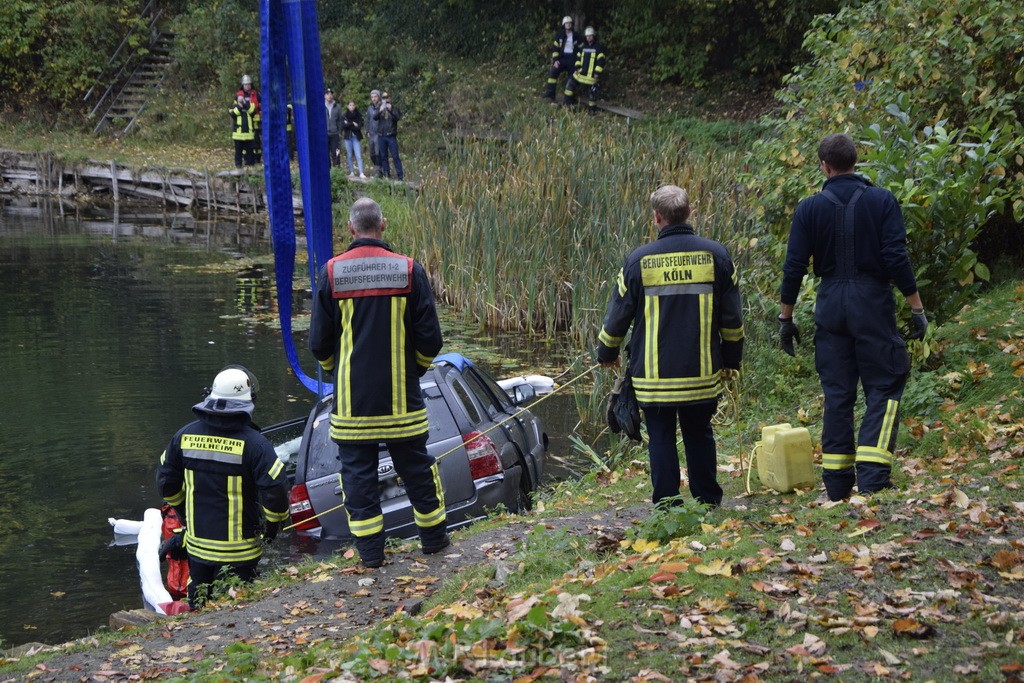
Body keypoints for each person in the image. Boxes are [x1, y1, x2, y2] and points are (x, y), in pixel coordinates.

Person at [779, 133, 928, 501]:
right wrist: (916, 307)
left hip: (830, 304)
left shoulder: (808, 209)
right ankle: (874, 476)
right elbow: (896, 257)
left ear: (824, 166)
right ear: (855, 162)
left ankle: (837, 483)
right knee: (886, 382)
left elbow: (794, 266)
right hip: (871, 303)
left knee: (837, 392)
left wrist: (786, 318)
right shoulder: (882, 201)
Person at [308, 198, 447, 567]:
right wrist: (412, 371)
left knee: (358, 480)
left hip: (353, 408)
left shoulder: (333, 273)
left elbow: (319, 343)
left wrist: (337, 372)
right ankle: (434, 543)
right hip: (402, 403)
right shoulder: (409, 270)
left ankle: (371, 557)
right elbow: (431, 339)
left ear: (351, 229)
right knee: (417, 470)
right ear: (383, 225)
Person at [596, 185, 744, 507]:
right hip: (701, 375)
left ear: (656, 217)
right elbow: (732, 320)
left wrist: (606, 352)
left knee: (660, 438)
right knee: (699, 434)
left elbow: (617, 316)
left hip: (654, 380)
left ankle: (666, 505)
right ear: (690, 213)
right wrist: (732, 360)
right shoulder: (716, 255)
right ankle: (707, 501)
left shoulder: (639, 261)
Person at [156, 366, 289, 609]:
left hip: (198, 547)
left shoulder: (184, 436)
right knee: (236, 607)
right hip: (240, 553)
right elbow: (275, 491)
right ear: (247, 402)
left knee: (198, 601)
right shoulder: (256, 445)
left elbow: (166, 482)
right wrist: (272, 526)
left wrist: (184, 512)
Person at [564, 26, 606, 115]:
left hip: (591, 76)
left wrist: (597, 72)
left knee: (592, 93)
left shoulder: (598, 47)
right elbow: (578, 58)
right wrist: (577, 68)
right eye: (587, 36)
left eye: (590, 36)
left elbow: (601, 61)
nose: (588, 38)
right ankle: (567, 104)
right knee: (570, 84)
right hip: (581, 73)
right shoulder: (583, 47)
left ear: (593, 36)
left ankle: (592, 110)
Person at [544, 16, 581, 102]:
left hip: (573, 60)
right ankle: (550, 93)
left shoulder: (577, 36)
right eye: (567, 23)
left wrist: (578, 63)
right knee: (553, 71)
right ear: (563, 25)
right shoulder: (560, 35)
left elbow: (581, 49)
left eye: (570, 23)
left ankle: (570, 97)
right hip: (562, 59)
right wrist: (555, 60)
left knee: (572, 77)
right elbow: (555, 48)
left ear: (572, 25)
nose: (568, 24)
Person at [373, 91, 403, 181]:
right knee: (383, 157)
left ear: (390, 99)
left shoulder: (394, 108)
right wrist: (380, 110)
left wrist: (391, 110)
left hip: (391, 136)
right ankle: (387, 175)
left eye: (387, 98)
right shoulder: (380, 108)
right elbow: (374, 117)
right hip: (381, 136)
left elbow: (397, 118)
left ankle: (400, 176)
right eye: (383, 98)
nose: (385, 100)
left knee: (395, 156)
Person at [237, 75, 262, 164]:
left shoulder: (256, 94)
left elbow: (260, 104)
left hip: (256, 120)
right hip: (245, 122)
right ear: (243, 85)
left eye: (249, 84)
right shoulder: (239, 95)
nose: (247, 86)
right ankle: (246, 159)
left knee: (256, 140)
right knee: (245, 141)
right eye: (246, 84)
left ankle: (257, 159)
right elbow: (235, 108)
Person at [229, 94, 256, 168]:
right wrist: (240, 106)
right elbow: (233, 114)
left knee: (250, 151)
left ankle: (251, 164)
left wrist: (245, 104)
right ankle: (238, 165)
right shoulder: (234, 106)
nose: (241, 100)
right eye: (239, 99)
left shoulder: (249, 106)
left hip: (249, 134)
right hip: (238, 134)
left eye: (242, 99)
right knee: (238, 152)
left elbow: (253, 112)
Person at [342, 100, 366, 178]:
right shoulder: (345, 115)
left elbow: (359, 126)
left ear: (355, 106)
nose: (351, 107)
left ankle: (361, 172)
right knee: (349, 155)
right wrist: (352, 123)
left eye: (353, 105)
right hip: (347, 137)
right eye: (350, 105)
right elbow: (343, 126)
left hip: (356, 137)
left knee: (358, 155)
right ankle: (352, 171)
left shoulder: (358, 115)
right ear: (347, 106)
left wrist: (348, 124)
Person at [365, 90, 383, 172]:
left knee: (377, 152)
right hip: (371, 133)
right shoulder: (369, 108)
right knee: (372, 153)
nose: (373, 98)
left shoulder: (382, 107)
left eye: (375, 97)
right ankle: (377, 166)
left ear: (379, 97)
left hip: (378, 133)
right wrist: (367, 131)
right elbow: (367, 120)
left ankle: (379, 170)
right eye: (372, 97)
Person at [325, 88, 342, 167]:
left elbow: (339, 120)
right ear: (324, 96)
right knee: (325, 153)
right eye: (328, 94)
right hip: (325, 134)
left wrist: (339, 132)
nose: (329, 96)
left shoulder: (337, 107)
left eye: (331, 94)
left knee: (336, 152)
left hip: (335, 133)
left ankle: (336, 170)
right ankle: (327, 171)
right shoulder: (321, 107)